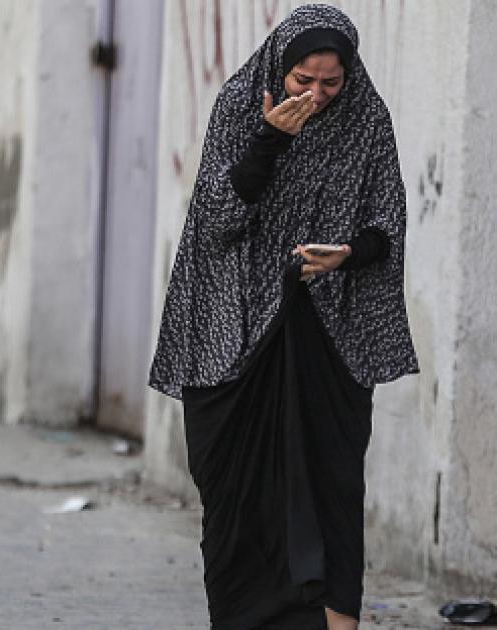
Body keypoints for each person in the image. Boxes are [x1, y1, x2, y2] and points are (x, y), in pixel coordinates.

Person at [149, 5, 418, 629]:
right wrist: (272, 137)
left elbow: (388, 223)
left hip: (326, 330)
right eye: (304, 81)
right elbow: (216, 220)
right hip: (234, 331)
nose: (317, 96)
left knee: (332, 485)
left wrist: (348, 253)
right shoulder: (242, 107)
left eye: (331, 83)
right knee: (236, 498)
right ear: (281, 67)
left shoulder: (366, 119)